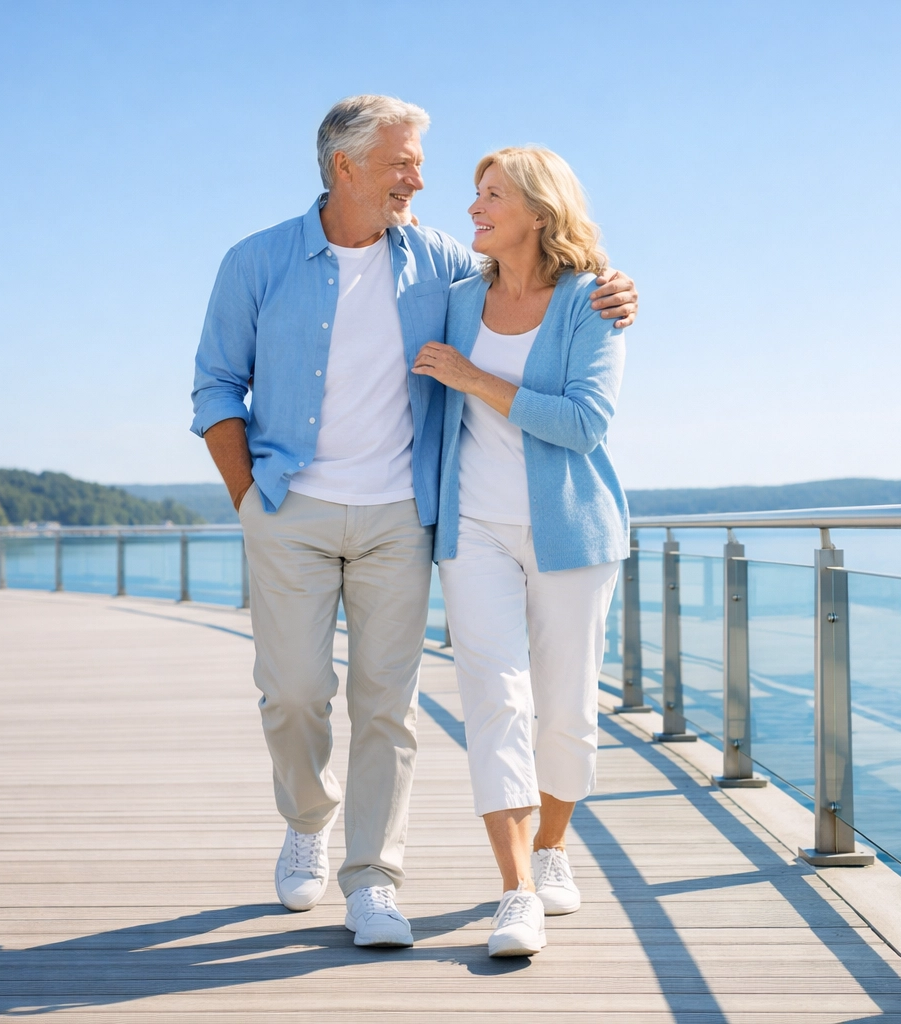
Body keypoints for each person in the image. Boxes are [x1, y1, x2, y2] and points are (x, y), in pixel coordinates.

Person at [190, 98, 637, 948]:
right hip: (292, 505)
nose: (420, 180)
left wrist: (612, 284)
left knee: (388, 705)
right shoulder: (256, 263)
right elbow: (216, 386)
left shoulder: (440, 264)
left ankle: (374, 881)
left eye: (420, 164)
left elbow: (543, 288)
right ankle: (307, 818)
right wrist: (249, 499)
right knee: (292, 696)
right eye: (402, 163)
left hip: (405, 514)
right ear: (345, 166)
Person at [410, 146, 628, 957]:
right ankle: (517, 889)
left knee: (565, 708)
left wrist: (474, 380)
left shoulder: (591, 301)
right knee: (497, 699)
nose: (474, 207)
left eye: (492, 194)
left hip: (571, 532)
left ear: (538, 211)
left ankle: (554, 847)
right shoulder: (456, 298)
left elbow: (583, 424)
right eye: (474, 193)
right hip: (476, 530)